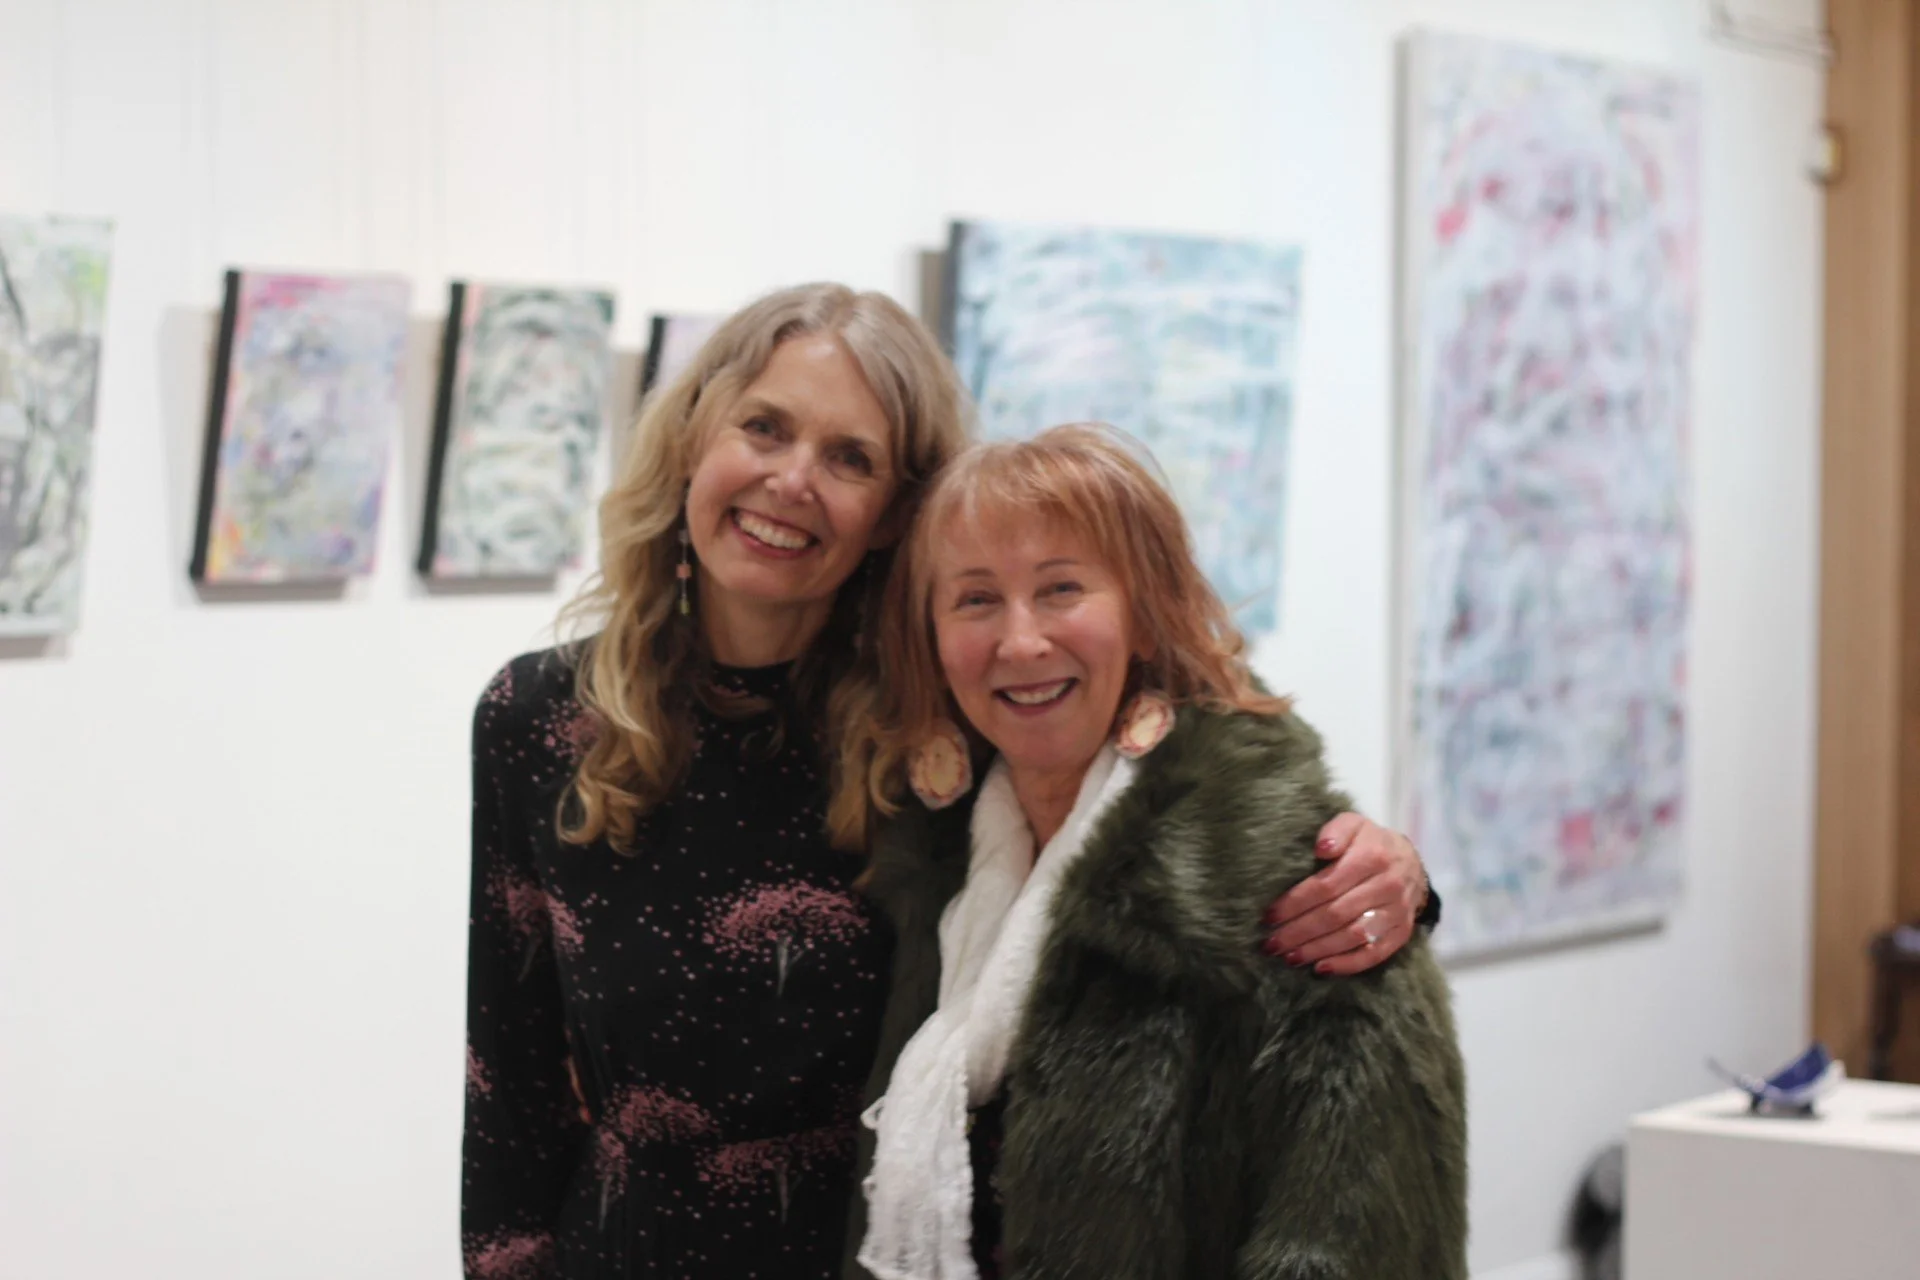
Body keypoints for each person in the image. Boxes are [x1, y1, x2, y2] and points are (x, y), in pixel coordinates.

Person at [463, 285, 1438, 1280]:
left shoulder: (948, 712)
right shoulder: (537, 718)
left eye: (851, 457)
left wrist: (1386, 864)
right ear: (693, 439)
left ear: (895, 515)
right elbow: (510, 1087)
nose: (792, 480)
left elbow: (1183, 743)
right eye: (764, 427)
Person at [849, 424, 1467, 1280]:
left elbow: (1362, 1246)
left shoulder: (1296, 884)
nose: (1020, 642)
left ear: (1145, 615)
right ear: (932, 635)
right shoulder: (927, 868)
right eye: (976, 599)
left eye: (1061, 589)